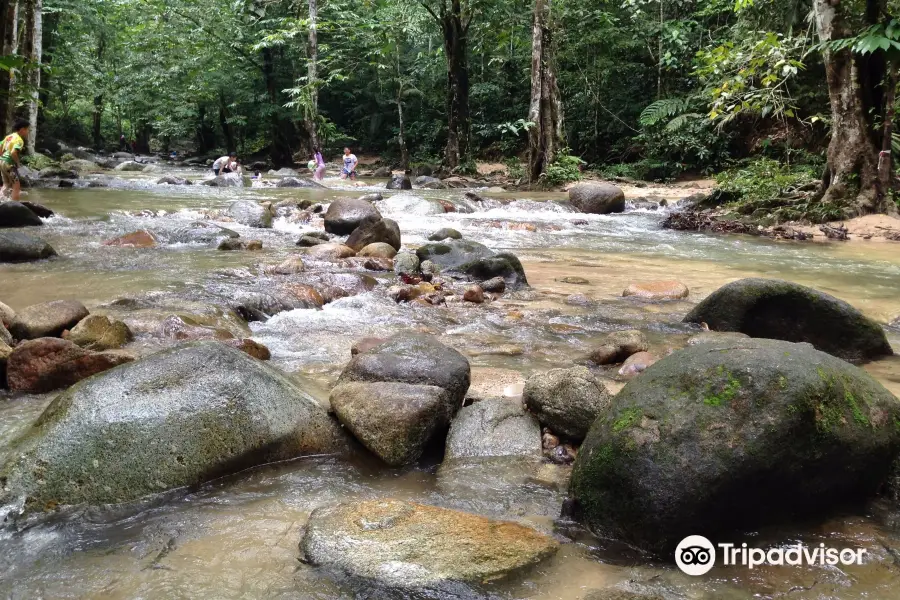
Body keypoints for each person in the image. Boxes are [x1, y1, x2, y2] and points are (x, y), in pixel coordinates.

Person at [0, 118, 30, 202]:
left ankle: (1, 200)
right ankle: (15, 204)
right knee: (16, 185)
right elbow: (13, 152)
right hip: (9, 164)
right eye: (27, 130)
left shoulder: (9, 136)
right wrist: (18, 163)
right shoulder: (19, 140)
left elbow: (0, 146)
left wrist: (2, 156)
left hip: (2, 161)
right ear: (22, 129)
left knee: (6, 184)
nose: (28, 132)